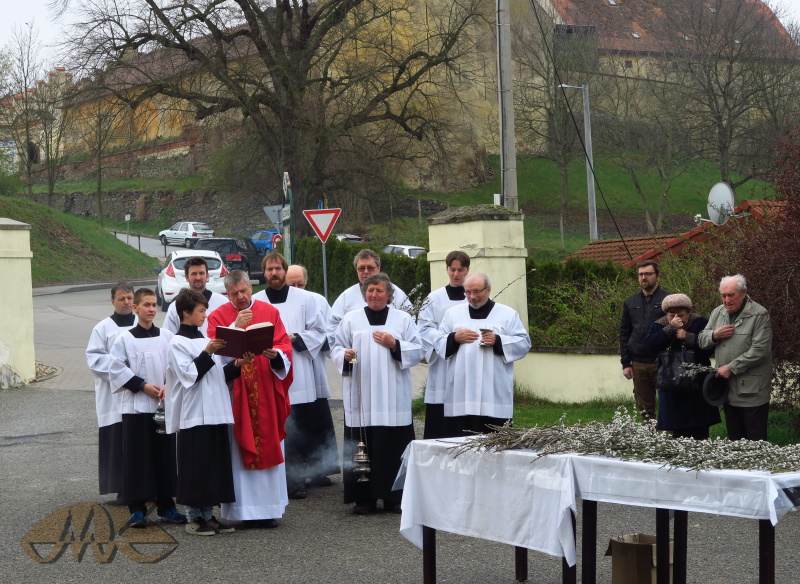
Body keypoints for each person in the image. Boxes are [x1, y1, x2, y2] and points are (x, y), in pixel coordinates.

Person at [206, 270, 293, 528]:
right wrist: (235, 329)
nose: (240, 297)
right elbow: (211, 356)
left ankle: (268, 510)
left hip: (265, 390)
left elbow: (285, 346)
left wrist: (275, 355)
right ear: (227, 294)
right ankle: (242, 511)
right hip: (236, 394)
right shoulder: (217, 317)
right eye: (234, 294)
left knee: (267, 442)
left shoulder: (270, 312)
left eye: (244, 291)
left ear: (250, 288)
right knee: (237, 451)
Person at [331, 272, 423, 514]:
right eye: (370, 290)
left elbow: (418, 348)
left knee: (393, 447)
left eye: (379, 290)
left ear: (389, 295)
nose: (374, 294)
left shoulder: (402, 319)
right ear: (364, 294)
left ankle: (394, 497)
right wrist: (344, 355)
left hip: (392, 396)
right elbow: (336, 346)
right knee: (363, 445)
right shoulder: (351, 319)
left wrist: (395, 345)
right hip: (361, 395)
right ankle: (363, 499)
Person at [166, 288, 254, 536]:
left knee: (212, 465)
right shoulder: (177, 342)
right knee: (195, 465)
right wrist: (208, 353)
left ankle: (209, 516)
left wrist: (238, 365)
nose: (206, 315)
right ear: (186, 312)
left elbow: (217, 376)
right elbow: (190, 377)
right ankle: (193, 518)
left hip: (215, 410)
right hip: (194, 413)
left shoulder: (205, 338)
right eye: (201, 311)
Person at [253, 254, 338, 499]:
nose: (274, 273)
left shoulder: (305, 299)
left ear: (284, 270)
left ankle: (299, 477)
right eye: (269, 269)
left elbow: (319, 331)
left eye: (278, 268)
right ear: (264, 273)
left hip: (299, 369)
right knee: (278, 427)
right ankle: (280, 476)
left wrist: (295, 339)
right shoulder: (256, 301)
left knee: (298, 426)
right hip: (269, 369)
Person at [108, 288, 185, 528]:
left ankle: (167, 506)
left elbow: (175, 365)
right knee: (137, 458)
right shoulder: (124, 339)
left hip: (162, 405)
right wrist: (141, 386)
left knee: (164, 457)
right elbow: (116, 368)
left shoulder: (167, 337)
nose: (152, 309)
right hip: (136, 408)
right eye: (147, 305)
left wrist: (166, 384)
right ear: (136, 308)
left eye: (154, 305)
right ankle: (137, 509)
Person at [433, 273, 531, 437]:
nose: (472, 297)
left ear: (488, 290)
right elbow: (438, 342)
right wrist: (454, 338)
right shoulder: (453, 314)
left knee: (494, 445)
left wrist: (498, 340)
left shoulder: (507, 314)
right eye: (468, 292)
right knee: (458, 444)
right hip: (460, 393)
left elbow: (523, 343)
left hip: (493, 393)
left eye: (477, 291)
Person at [698, 274, 773, 441]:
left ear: (744, 292)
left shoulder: (759, 314)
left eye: (731, 295)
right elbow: (702, 341)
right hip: (727, 390)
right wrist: (714, 335)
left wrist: (732, 367)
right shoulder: (717, 312)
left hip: (752, 391)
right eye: (723, 295)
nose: (726, 300)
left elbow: (760, 350)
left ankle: (756, 468)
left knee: (755, 442)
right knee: (735, 441)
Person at [86, 282, 138, 497]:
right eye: (122, 299)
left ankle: (143, 486)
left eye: (129, 298)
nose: (126, 302)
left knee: (138, 442)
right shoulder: (103, 328)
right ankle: (120, 489)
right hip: (113, 396)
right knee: (117, 441)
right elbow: (95, 359)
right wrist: (122, 369)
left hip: (139, 392)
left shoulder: (142, 323)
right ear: (113, 301)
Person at [644, 293, 721, 439]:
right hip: (671, 385)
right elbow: (650, 346)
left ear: (688, 312)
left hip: (697, 385)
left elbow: (710, 347)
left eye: (681, 314)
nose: (676, 318)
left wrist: (689, 337)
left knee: (701, 431)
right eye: (671, 315)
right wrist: (669, 329)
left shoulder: (700, 322)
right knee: (678, 433)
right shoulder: (659, 325)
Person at [417, 250, 470, 439]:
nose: (456, 274)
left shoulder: (473, 297)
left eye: (461, 270)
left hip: (467, 364)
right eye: (452, 269)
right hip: (442, 364)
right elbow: (423, 328)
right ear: (446, 269)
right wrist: (447, 340)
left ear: (467, 270)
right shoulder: (434, 298)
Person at [619, 260, 671, 421]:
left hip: (662, 361)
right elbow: (624, 333)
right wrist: (626, 363)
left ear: (658, 276)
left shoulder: (669, 300)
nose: (644, 277)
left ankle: (671, 441)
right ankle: (649, 441)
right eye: (641, 274)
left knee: (668, 403)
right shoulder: (630, 302)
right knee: (645, 409)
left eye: (648, 274)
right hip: (638, 363)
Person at [327, 249, 410, 343]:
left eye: (370, 268)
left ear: (378, 268)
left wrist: (396, 344)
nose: (366, 271)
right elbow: (332, 327)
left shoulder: (396, 293)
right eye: (361, 268)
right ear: (356, 270)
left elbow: (409, 324)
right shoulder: (346, 297)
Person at [163, 256, 228, 335]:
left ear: (207, 276)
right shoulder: (175, 306)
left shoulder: (222, 303)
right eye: (194, 274)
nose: (198, 277)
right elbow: (168, 337)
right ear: (187, 277)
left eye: (201, 273)